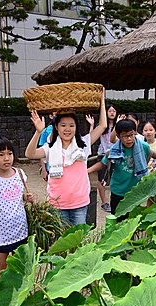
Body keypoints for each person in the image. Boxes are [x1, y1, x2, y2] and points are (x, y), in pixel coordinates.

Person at [25, 93, 107, 226]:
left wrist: (102, 102)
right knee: (61, 242)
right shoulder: (50, 148)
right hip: (57, 204)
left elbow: (102, 126)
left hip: (79, 202)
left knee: (76, 242)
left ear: (76, 127)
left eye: (71, 125)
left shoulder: (83, 145)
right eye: (63, 125)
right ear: (56, 127)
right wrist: (38, 132)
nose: (67, 129)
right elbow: (30, 154)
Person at [88, 119, 156, 217]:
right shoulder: (115, 150)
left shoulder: (142, 146)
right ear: (118, 136)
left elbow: (151, 152)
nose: (129, 139)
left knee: (133, 220)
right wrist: (87, 170)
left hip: (134, 190)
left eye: (131, 135)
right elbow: (103, 163)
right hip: (118, 190)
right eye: (125, 136)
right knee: (117, 218)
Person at [0, 136, 34, 277]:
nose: (6, 158)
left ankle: (21, 295)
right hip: (1, 233)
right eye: (1, 155)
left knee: (21, 264)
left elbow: (16, 196)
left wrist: (25, 198)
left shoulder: (20, 174)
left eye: (9, 153)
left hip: (20, 229)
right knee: (3, 267)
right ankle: (4, 296)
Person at [96, 104, 118, 212]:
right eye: (109, 111)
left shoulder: (119, 125)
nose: (112, 113)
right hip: (102, 154)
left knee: (115, 178)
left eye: (114, 111)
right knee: (101, 178)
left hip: (116, 155)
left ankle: (114, 200)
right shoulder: (101, 126)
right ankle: (104, 202)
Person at [38, 112, 56, 181]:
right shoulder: (45, 131)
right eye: (55, 114)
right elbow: (42, 152)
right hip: (51, 167)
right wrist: (44, 169)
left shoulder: (65, 131)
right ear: (51, 116)